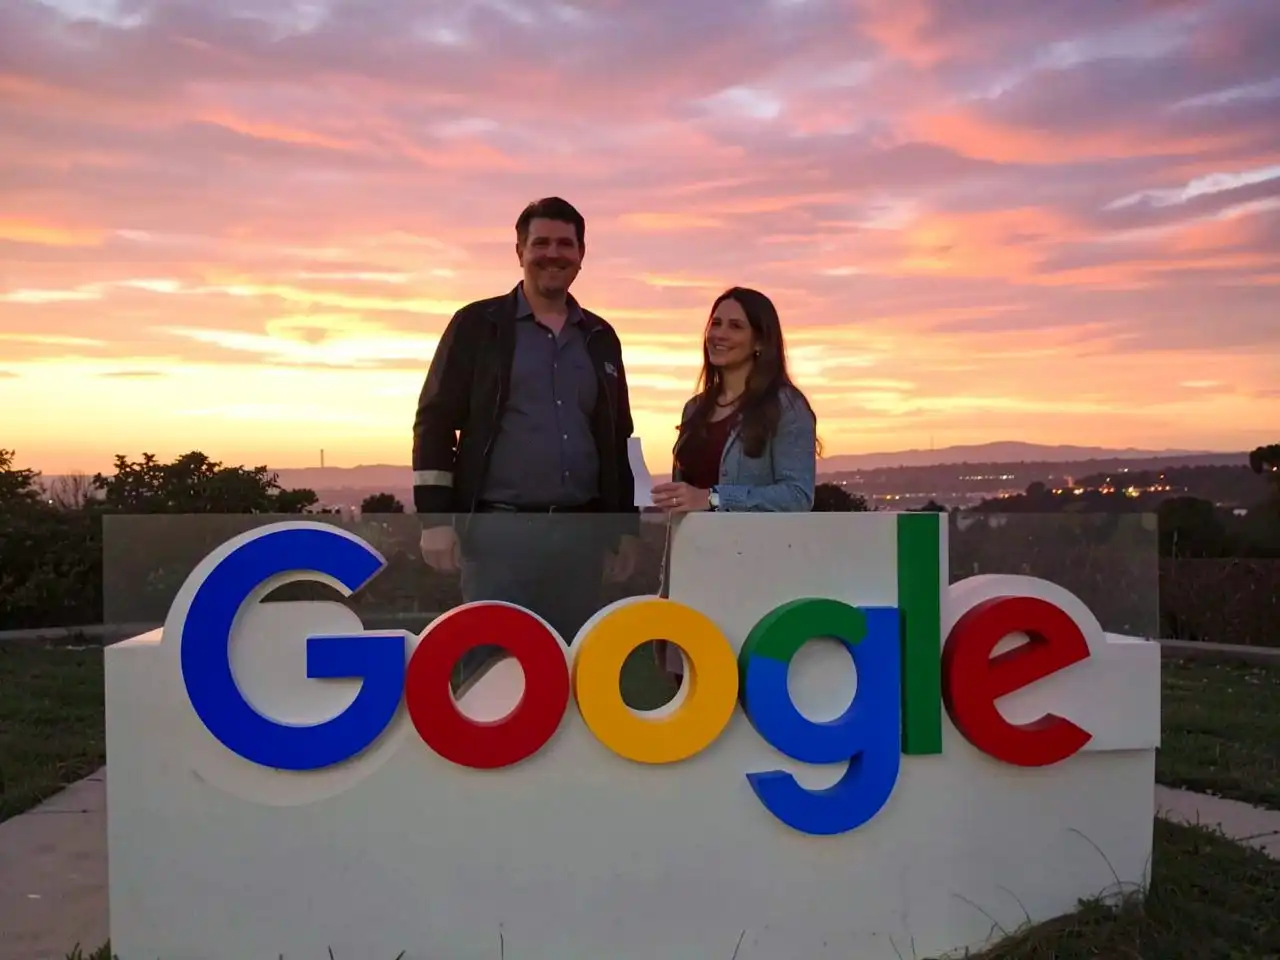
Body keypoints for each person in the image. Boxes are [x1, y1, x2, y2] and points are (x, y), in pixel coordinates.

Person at [411, 197, 641, 691]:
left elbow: (617, 437)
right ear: (519, 250)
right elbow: (434, 421)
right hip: (498, 539)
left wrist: (625, 529)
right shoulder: (478, 326)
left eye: (565, 244)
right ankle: (482, 766)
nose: (552, 254)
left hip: (580, 540)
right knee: (488, 672)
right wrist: (434, 521)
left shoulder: (601, 337)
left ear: (582, 254)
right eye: (540, 243)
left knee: (573, 673)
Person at [650, 286, 818, 680]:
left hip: (751, 576)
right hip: (692, 572)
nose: (719, 334)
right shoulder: (696, 409)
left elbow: (797, 496)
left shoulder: (786, 407)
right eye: (716, 323)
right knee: (689, 695)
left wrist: (711, 498)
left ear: (760, 341)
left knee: (742, 694)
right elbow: (687, 495)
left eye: (735, 326)